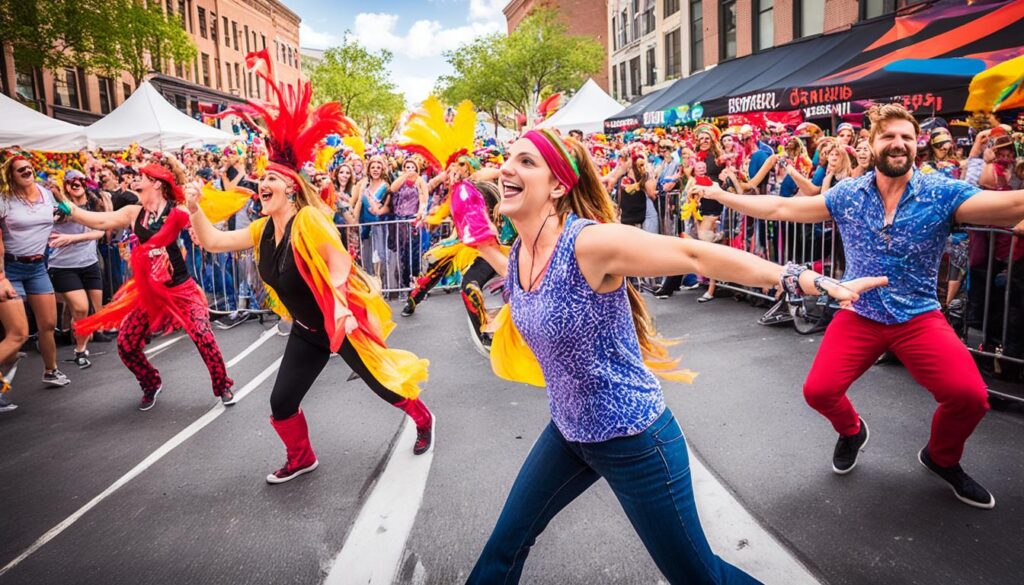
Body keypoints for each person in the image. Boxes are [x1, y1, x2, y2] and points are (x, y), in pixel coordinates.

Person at [469, 129, 884, 583]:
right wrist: (482, 238)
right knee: (503, 547)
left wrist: (808, 281)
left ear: (557, 185)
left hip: (635, 440)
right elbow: (530, 292)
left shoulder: (588, 244)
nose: (507, 167)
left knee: (698, 577)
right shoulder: (519, 254)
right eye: (508, 159)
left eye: (526, 162)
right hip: (569, 432)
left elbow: (694, 254)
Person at [694, 103, 1024, 509]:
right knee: (819, 392)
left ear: (915, 145)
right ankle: (851, 431)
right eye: (889, 136)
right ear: (872, 142)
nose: (898, 143)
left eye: (906, 137)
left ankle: (941, 458)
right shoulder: (848, 194)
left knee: (970, 397)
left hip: (918, 316)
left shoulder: (941, 192)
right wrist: (720, 195)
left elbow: (1010, 206)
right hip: (859, 311)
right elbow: (781, 208)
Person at [188, 49, 434, 483]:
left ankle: (423, 418)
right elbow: (212, 240)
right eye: (262, 178)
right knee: (282, 402)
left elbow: (339, 260)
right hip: (307, 331)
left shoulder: (309, 220)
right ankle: (301, 457)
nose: (262, 183)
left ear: (292, 187)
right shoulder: (263, 228)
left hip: (340, 323)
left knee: (384, 386)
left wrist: (339, 302)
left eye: (272, 179)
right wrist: (193, 208)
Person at [60, 163, 235, 411]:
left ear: (156, 184)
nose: (134, 181)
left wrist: (198, 229)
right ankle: (150, 382)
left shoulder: (177, 211)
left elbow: (202, 226)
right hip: (149, 293)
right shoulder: (134, 212)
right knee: (126, 344)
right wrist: (71, 210)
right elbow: (101, 221)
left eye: (141, 177)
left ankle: (223, 385)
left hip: (181, 290)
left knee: (203, 336)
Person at [0, 155, 71, 408]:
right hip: (10, 269)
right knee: (18, 334)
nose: (27, 170)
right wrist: (1, 277)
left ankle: (51, 371)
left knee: (48, 324)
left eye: (29, 167)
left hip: (37, 267)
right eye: (21, 169)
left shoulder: (45, 193)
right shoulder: (4, 200)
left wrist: (60, 200)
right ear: (12, 175)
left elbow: (63, 215)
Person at [49, 170, 107, 368]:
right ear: (65, 186)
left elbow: (100, 232)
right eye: (70, 182)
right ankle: (74, 338)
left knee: (94, 311)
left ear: (85, 184)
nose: (75, 184)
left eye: (79, 181)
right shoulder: (60, 208)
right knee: (81, 308)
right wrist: (58, 197)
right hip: (64, 267)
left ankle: (80, 350)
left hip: (89, 264)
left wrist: (73, 238)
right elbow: (65, 216)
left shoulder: (94, 205)